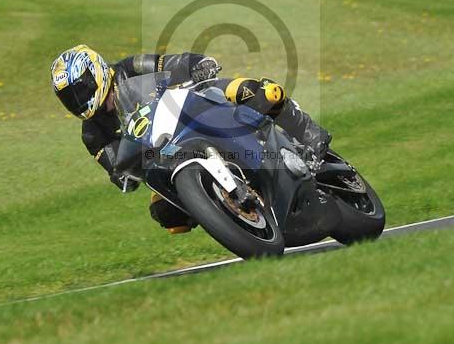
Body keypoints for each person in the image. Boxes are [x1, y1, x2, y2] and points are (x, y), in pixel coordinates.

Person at [50, 45, 331, 232]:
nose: (79, 100)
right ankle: (221, 210)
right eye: (69, 98)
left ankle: (308, 132)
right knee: (164, 214)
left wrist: (197, 64)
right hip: (167, 157)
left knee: (253, 92)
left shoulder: (129, 68)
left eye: (82, 88)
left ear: (96, 71)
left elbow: (171, 62)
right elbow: (118, 168)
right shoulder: (92, 133)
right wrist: (123, 175)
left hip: (194, 110)